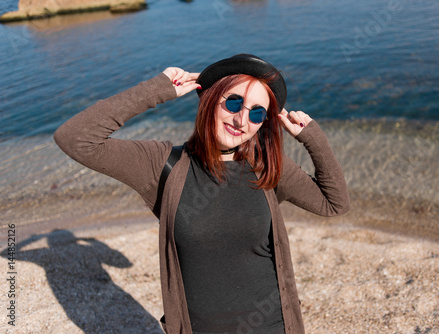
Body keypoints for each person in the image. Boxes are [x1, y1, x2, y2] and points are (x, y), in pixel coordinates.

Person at [54, 54, 350, 334]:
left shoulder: (267, 167)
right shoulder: (162, 166)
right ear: (209, 100)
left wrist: (314, 140)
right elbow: (75, 138)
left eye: (257, 113)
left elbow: (334, 203)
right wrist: (157, 90)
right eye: (233, 103)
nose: (242, 121)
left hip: (274, 325)